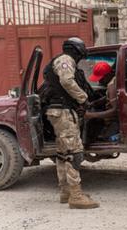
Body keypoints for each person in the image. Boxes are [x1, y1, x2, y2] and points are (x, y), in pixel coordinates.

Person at [40, 37, 100, 209]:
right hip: (64, 113)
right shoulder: (66, 60)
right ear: (76, 50)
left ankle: (66, 192)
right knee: (74, 152)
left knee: (63, 153)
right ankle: (76, 195)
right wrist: (83, 98)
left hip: (59, 112)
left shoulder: (61, 60)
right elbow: (67, 81)